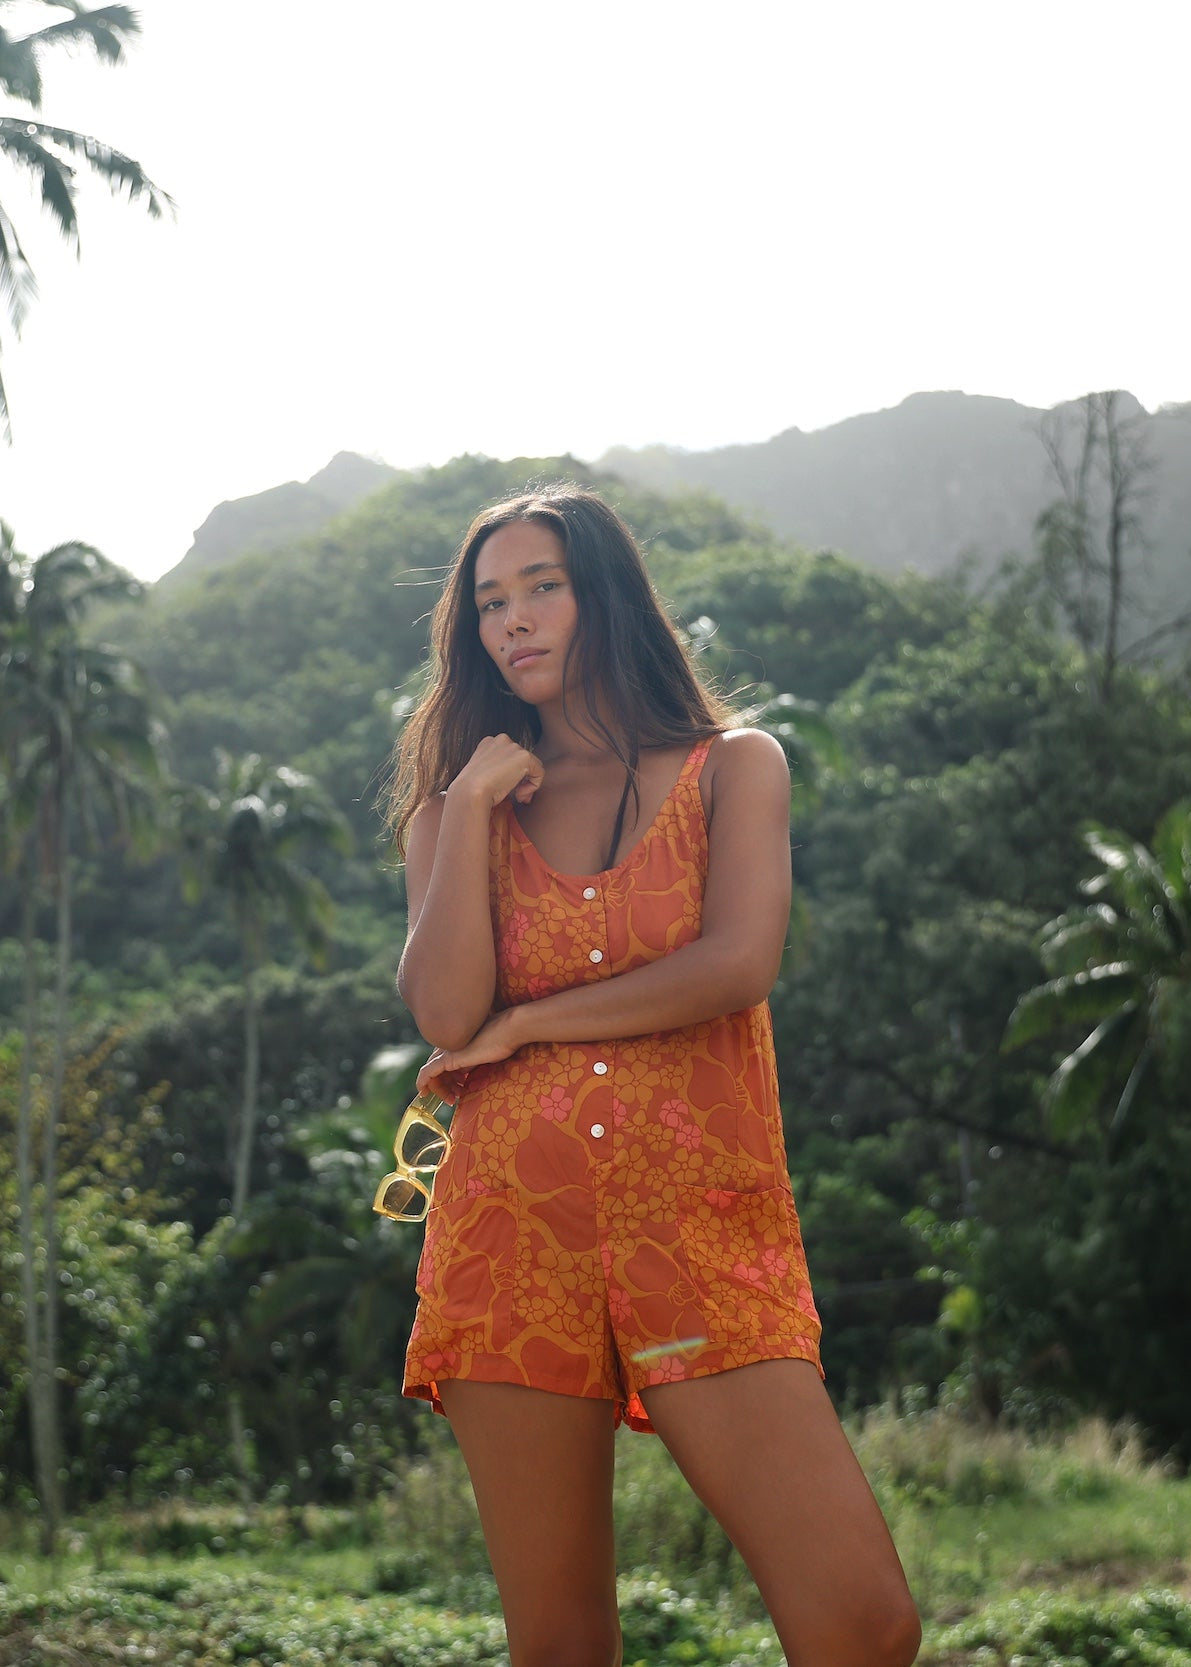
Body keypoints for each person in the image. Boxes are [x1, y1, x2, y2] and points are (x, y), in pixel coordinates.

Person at [383, 485, 921, 1667]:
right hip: (509, 1241)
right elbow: (445, 1014)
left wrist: (530, 1025)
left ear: (607, 596)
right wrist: (466, 803)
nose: (515, 620)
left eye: (543, 587)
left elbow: (735, 964)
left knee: (865, 1624)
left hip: (702, 1229)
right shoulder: (458, 810)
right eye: (491, 602)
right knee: (562, 1644)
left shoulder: (733, 767)